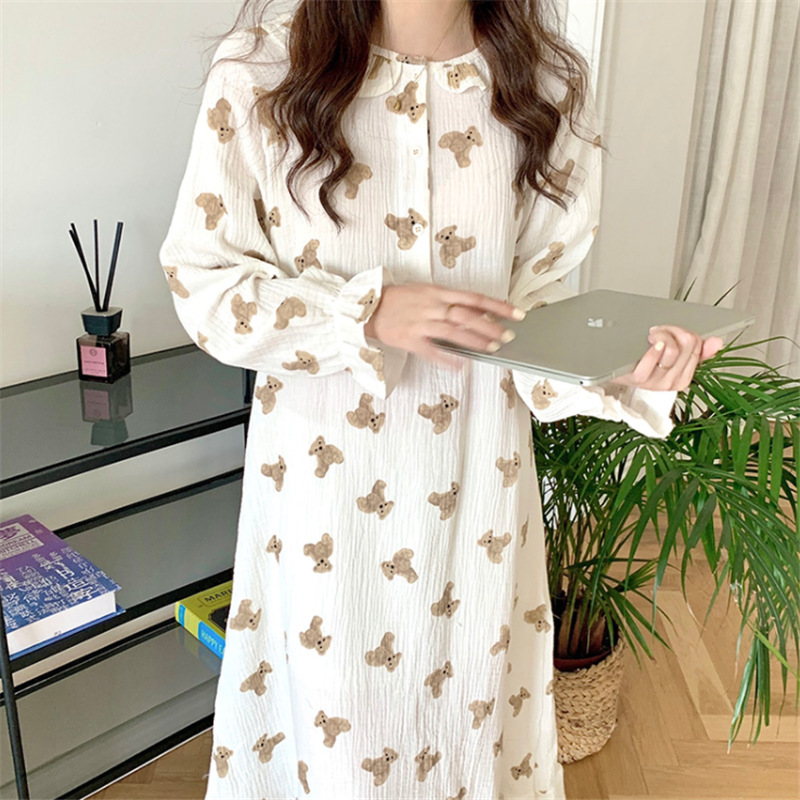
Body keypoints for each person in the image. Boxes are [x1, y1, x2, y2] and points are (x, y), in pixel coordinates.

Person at [159, 1, 723, 798]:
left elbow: (528, 319)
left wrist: (622, 371)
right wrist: (363, 314)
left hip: (479, 493)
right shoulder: (260, 72)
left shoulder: (547, 83)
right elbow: (204, 285)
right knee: (335, 738)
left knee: (472, 724)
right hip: (325, 501)